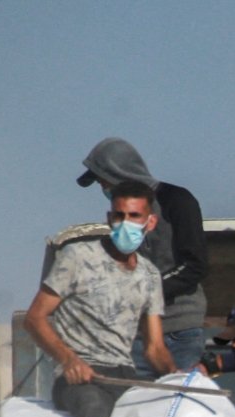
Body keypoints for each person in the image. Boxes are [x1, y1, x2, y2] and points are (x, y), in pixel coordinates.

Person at [23, 181, 175, 417]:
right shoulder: (77, 257)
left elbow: (155, 348)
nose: (124, 224)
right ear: (109, 218)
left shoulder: (150, 275)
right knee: (92, 409)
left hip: (125, 377)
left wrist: (179, 377)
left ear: (150, 222)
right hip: (82, 377)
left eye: (134, 217)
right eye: (118, 216)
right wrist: (69, 359)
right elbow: (35, 318)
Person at [76, 137, 210, 375]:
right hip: (137, 338)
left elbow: (194, 265)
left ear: (119, 173)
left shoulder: (176, 200)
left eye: (103, 181)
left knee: (180, 406)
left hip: (180, 331)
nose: (103, 189)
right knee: (136, 408)